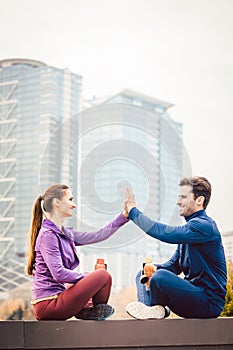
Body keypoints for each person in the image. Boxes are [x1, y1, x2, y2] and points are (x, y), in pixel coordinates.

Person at [124, 177, 227, 319]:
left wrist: (133, 213)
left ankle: (154, 311)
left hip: (208, 302)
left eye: (184, 197)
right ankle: (154, 311)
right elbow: (173, 266)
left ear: (199, 200)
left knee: (159, 277)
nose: (178, 202)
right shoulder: (189, 233)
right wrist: (151, 269)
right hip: (191, 296)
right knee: (144, 272)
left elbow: (164, 233)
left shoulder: (204, 226)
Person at [26, 183, 129, 320]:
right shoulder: (48, 235)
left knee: (94, 276)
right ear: (57, 202)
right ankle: (94, 313)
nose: (73, 205)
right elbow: (59, 273)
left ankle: (90, 311)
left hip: (58, 297)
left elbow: (98, 235)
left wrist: (124, 216)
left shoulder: (65, 233)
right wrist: (91, 279)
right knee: (103, 276)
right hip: (49, 304)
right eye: (70, 199)